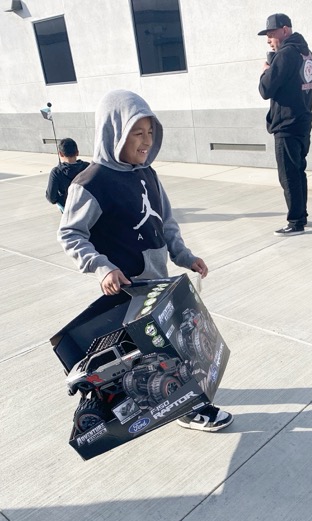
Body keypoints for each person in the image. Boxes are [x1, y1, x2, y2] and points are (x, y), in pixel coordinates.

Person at [58, 89, 233, 432]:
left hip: (159, 284)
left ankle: (183, 397)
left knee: (178, 347)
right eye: (137, 133)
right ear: (114, 133)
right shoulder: (92, 182)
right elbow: (70, 234)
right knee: (161, 357)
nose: (147, 141)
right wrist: (102, 267)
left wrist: (184, 255)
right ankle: (188, 409)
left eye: (150, 132)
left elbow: (166, 221)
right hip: (127, 293)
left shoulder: (147, 173)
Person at [258, 13, 312, 236]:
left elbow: (265, 89)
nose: (268, 40)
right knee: (298, 172)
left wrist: (266, 71)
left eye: (271, 34)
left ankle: (295, 222)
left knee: (289, 175)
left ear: (285, 30)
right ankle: (301, 216)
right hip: (303, 121)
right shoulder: (307, 54)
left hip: (287, 124)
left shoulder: (286, 54)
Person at [45, 138, 89, 212]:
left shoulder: (56, 172)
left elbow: (51, 197)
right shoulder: (88, 167)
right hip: (88, 207)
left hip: (69, 210)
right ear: (77, 152)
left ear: (60, 154)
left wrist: (61, 200)